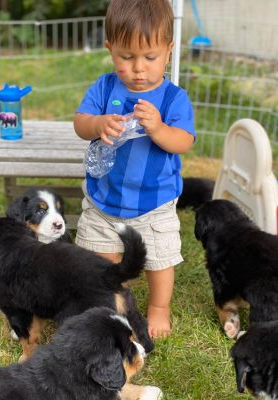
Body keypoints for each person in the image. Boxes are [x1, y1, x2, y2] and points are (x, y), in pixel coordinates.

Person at [73, 0, 196, 339]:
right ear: (111, 49)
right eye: (127, 57)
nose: (139, 68)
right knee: (102, 263)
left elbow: (184, 141)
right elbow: (80, 123)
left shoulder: (173, 98)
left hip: (153, 203)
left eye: (150, 57)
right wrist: (97, 123)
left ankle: (158, 307)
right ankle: (111, 306)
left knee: (159, 260)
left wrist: (158, 129)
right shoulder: (104, 87)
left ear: (168, 51)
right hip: (104, 201)